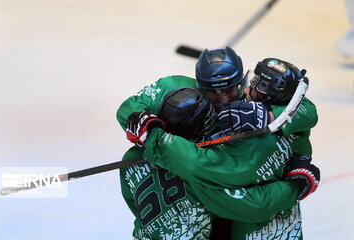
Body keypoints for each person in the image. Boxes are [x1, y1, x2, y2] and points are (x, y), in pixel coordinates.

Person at [125, 58, 319, 240]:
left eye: (256, 85)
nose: (224, 99)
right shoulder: (233, 157)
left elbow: (305, 109)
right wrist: (296, 186)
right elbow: (254, 205)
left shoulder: (132, 159)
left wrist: (152, 137)